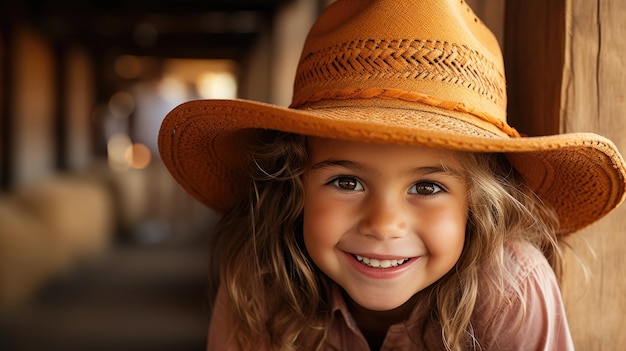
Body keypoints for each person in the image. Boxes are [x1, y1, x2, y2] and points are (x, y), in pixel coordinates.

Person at [158, 0, 626, 350]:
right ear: (294, 183)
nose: (383, 223)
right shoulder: (262, 280)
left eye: (427, 187)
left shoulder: (512, 290)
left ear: (476, 203)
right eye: (347, 182)